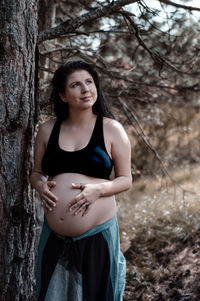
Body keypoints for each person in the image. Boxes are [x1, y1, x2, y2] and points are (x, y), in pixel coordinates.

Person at [30, 60, 132, 301]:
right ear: (63, 95)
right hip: (54, 236)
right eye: (76, 85)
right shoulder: (47, 130)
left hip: (98, 235)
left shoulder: (112, 129)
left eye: (89, 82)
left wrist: (98, 191)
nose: (86, 89)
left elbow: (126, 179)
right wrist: (39, 185)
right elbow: (36, 173)